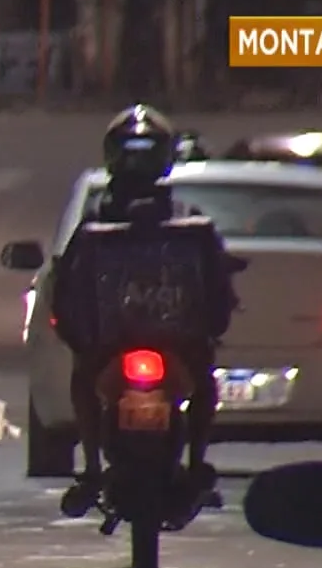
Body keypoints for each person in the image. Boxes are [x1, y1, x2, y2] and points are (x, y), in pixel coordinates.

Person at [51, 105, 241, 518]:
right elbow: (68, 280)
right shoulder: (94, 225)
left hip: (176, 341)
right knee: (84, 376)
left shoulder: (189, 223)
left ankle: (194, 462)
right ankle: (92, 467)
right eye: (129, 153)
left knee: (203, 378)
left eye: (144, 153)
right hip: (112, 342)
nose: (136, 163)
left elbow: (215, 276)